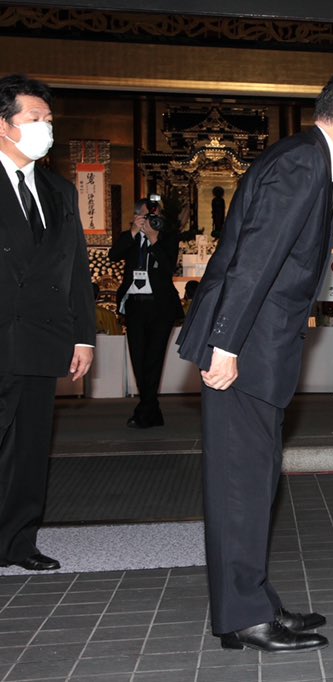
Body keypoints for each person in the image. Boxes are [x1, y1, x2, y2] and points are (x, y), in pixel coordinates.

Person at [177, 67, 333, 653]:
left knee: (257, 480)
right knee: (240, 485)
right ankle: (243, 616)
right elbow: (255, 260)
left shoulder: (310, 161)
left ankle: (255, 602)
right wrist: (225, 345)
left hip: (257, 347)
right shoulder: (302, 164)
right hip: (243, 349)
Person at [0, 74, 95, 572]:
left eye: (49, 119)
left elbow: (76, 267)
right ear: (4, 125)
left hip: (41, 335)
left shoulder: (59, 189)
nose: (46, 127)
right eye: (34, 118)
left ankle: (18, 543)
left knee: (30, 447)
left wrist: (84, 336)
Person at [109, 197, 184, 428]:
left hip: (160, 307)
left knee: (154, 359)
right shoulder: (129, 237)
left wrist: (153, 239)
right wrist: (134, 231)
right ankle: (151, 410)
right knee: (138, 358)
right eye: (147, 216)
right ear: (137, 216)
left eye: (156, 216)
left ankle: (145, 411)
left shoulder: (168, 237)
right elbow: (114, 255)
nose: (153, 220)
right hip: (135, 306)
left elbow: (169, 267)